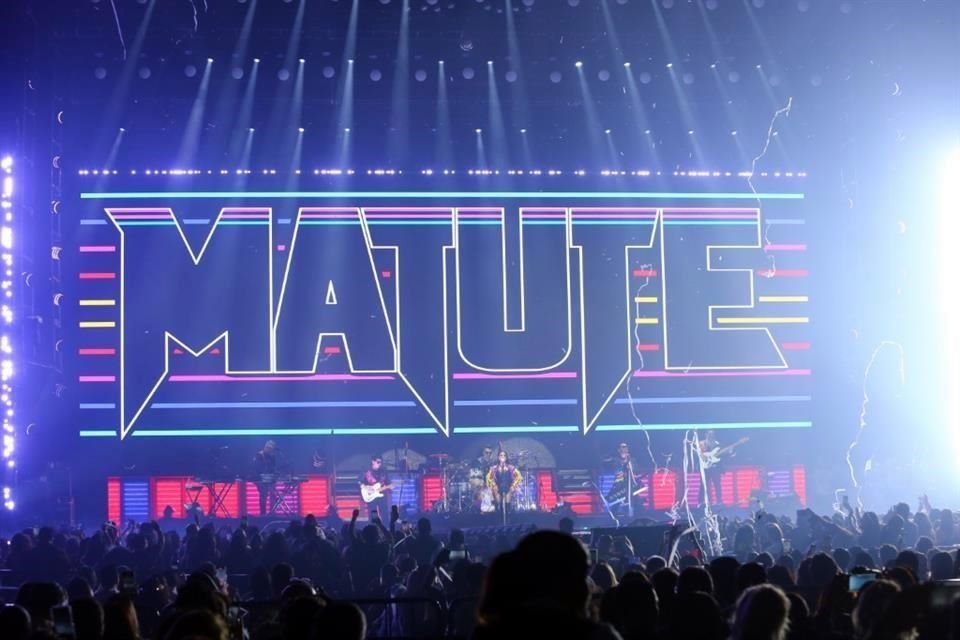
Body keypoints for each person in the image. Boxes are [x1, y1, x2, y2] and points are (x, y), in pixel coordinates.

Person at [605, 443, 642, 516]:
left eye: (625, 448)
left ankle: (634, 513)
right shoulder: (615, 460)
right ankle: (615, 514)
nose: (623, 450)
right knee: (613, 499)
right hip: (619, 485)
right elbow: (609, 464)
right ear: (618, 450)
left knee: (634, 498)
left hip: (631, 485)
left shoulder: (632, 460)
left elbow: (636, 473)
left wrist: (631, 470)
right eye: (621, 448)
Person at [486, 450, 522, 517]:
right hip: (498, 487)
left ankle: (507, 515)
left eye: (504, 455)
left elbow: (518, 477)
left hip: (508, 487)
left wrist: (513, 486)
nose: (503, 456)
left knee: (507, 506)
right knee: (498, 505)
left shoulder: (511, 468)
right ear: (498, 457)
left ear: (506, 457)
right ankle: (498, 512)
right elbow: (489, 478)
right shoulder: (494, 468)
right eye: (501, 455)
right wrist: (494, 485)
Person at [699, 431, 724, 507]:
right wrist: (704, 458)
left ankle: (719, 501)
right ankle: (702, 502)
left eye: (712, 434)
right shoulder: (701, 443)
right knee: (703, 485)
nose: (710, 435)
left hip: (715, 467)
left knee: (717, 485)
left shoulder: (718, 444)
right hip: (705, 468)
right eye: (709, 434)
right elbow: (699, 453)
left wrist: (729, 452)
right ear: (706, 434)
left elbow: (720, 455)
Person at [254, 440, 279, 516]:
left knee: (273, 494)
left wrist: (274, 474)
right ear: (265, 447)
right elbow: (256, 468)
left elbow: (273, 468)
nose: (269, 449)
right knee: (263, 493)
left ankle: (272, 513)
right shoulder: (259, 455)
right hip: (259, 479)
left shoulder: (272, 457)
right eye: (268, 447)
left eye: (271, 448)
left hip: (269, 478)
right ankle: (263, 514)